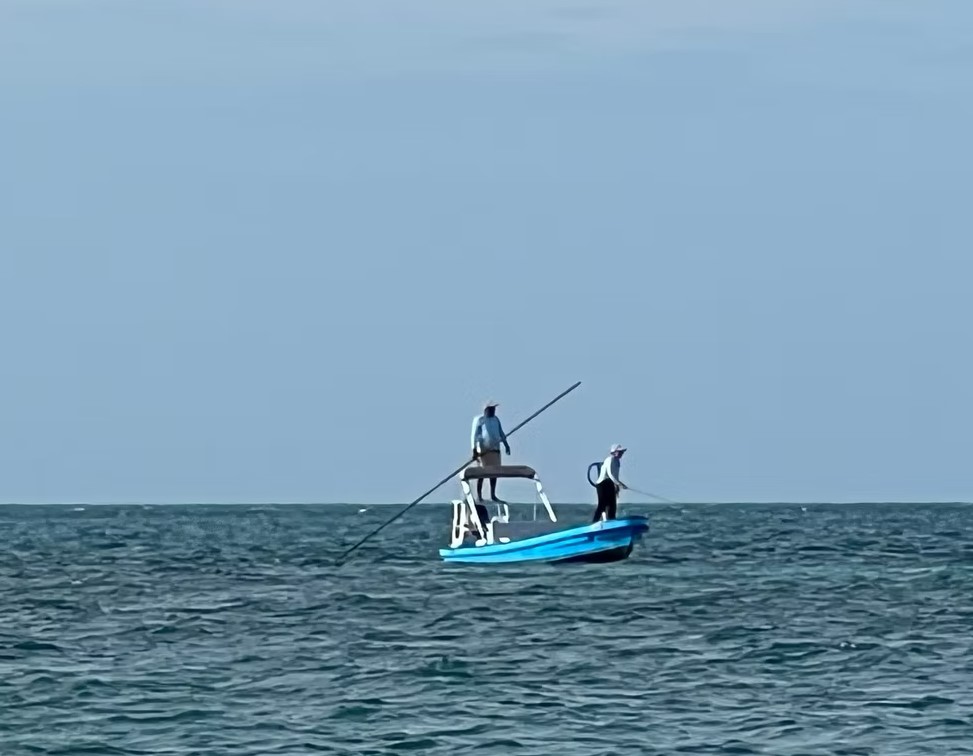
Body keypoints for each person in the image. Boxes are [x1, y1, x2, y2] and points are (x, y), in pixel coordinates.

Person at [470, 400, 511, 503]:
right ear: (486, 410)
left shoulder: (496, 419)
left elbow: (501, 432)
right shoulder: (479, 420)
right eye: (492, 409)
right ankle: (479, 496)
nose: (494, 411)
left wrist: (506, 445)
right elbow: (474, 436)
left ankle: (493, 495)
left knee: (494, 472)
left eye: (494, 409)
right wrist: (474, 450)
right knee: (482, 472)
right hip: (483, 450)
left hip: (495, 449)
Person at [593, 444, 628, 522]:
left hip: (610, 483)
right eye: (620, 452)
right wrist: (619, 484)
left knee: (612, 505)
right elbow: (610, 474)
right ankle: (594, 523)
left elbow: (615, 476)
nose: (621, 453)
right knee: (602, 504)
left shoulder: (617, 462)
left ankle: (612, 521)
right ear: (614, 452)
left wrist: (617, 485)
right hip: (602, 484)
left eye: (622, 452)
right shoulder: (610, 459)